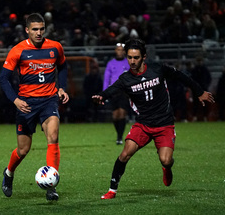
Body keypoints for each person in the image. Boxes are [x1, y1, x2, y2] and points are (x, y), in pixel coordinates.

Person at [92, 38, 215, 199]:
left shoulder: (158, 69)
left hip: (164, 125)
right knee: (124, 154)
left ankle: (167, 168)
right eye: (129, 57)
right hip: (143, 125)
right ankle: (112, 190)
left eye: (136, 57)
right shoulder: (126, 79)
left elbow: (181, 77)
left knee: (166, 160)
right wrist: (101, 96)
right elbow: (112, 89)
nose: (132, 61)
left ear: (144, 57)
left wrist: (199, 91)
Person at [0, 13, 69, 201]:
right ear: (27, 30)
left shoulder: (55, 47)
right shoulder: (18, 50)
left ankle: (51, 186)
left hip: (49, 101)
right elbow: (3, 79)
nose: (38, 33)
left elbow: (62, 67)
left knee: (53, 137)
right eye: (35, 29)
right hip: (26, 104)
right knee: (23, 150)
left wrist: (61, 88)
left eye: (41, 29)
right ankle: (9, 173)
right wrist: (15, 100)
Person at [103, 43, 130, 145]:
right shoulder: (111, 64)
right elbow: (106, 79)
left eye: (121, 50)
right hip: (113, 92)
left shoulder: (128, 63)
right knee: (115, 115)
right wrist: (104, 93)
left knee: (122, 113)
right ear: (115, 51)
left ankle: (120, 137)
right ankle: (118, 134)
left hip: (124, 91)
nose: (120, 52)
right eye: (118, 50)